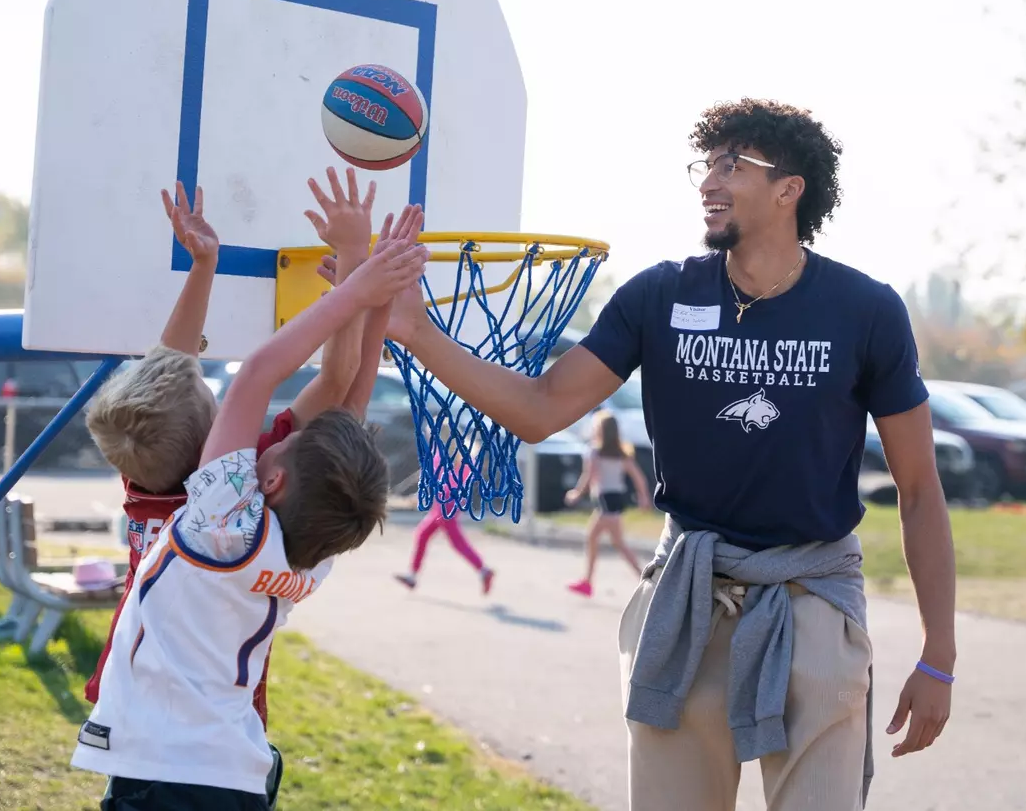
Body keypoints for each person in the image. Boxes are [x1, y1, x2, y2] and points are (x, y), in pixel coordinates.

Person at [382, 98, 957, 811]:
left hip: (810, 605)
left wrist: (940, 656)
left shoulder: (865, 310)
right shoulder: (661, 293)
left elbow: (920, 489)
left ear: (789, 190)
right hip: (686, 600)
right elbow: (537, 410)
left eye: (730, 165)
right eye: (705, 165)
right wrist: (413, 330)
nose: (708, 183)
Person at [72, 204, 427, 809]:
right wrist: (361, 286)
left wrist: (364, 286)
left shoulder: (204, 507)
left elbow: (229, 374)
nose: (277, 434)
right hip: (231, 762)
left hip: (167, 757)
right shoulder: (289, 536)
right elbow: (338, 393)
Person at [83, 170, 379, 731]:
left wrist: (203, 267)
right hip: (224, 717)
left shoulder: (150, 476)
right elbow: (336, 379)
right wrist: (354, 279)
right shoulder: (240, 499)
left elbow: (171, 370)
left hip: (138, 704)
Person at [564, 410, 652, 597]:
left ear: (600, 430)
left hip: (605, 499)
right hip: (615, 498)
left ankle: (646, 580)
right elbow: (639, 478)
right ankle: (589, 581)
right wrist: (643, 496)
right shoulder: (621, 454)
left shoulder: (595, 452)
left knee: (613, 541)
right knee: (601, 538)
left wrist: (577, 494)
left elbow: (589, 476)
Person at [392, 442, 496, 596]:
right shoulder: (462, 457)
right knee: (423, 534)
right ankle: (412, 576)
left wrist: (419, 496)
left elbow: (439, 481)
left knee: (456, 541)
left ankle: (483, 570)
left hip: (445, 503)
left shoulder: (445, 456)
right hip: (446, 502)